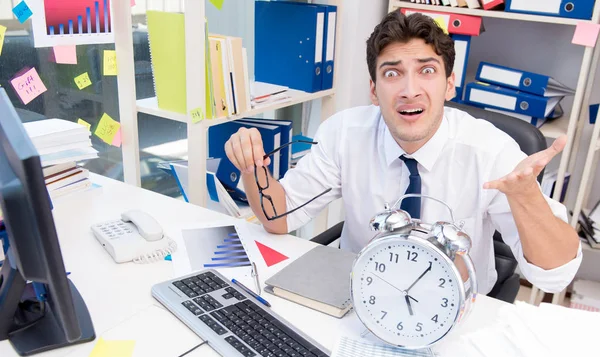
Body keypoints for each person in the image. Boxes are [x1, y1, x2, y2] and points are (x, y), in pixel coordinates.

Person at [224, 11, 581, 295]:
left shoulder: (490, 150)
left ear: (449, 84)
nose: (410, 90)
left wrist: (528, 199)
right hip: (362, 294)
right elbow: (279, 217)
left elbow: (555, 277)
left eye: (427, 71)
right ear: (374, 90)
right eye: (392, 73)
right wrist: (252, 168)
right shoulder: (344, 133)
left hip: (456, 307)